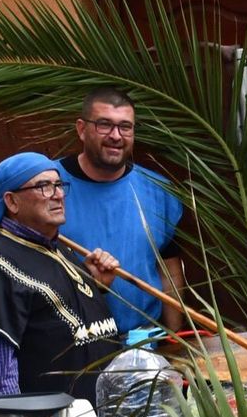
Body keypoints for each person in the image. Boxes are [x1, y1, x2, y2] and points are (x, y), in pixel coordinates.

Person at [0, 152, 122, 401]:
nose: (58, 195)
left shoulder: (60, 247)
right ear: (12, 201)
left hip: (99, 415)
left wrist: (95, 285)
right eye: (43, 186)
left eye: (59, 185)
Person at [56, 88, 184, 335]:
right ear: (82, 129)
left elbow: (169, 269)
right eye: (104, 125)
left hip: (144, 342)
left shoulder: (158, 190)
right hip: (71, 344)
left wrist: (174, 339)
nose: (116, 135)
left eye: (125, 127)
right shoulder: (48, 185)